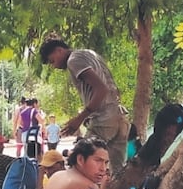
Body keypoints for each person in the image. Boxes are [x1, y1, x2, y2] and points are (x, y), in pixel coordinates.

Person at [40, 39, 129, 175]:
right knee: (116, 173)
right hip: (119, 115)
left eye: (52, 61)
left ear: (59, 50)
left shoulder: (73, 60)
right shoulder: (90, 54)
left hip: (104, 119)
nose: (54, 66)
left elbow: (101, 89)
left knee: (79, 163)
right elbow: (113, 89)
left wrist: (80, 118)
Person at [34, 136, 109, 189]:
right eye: (98, 161)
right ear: (80, 160)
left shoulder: (57, 175)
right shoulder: (86, 186)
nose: (103, 168)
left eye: (106, 163)